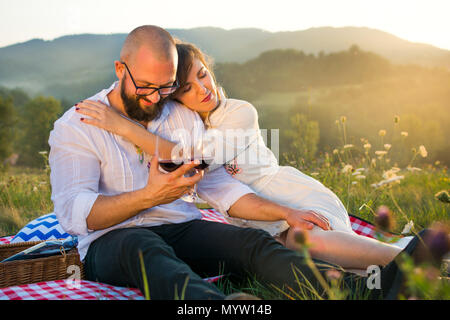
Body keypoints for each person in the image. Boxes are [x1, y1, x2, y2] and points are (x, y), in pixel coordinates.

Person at [50, 25, 422, 300]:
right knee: (147, 251)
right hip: (114, 241)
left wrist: (284, 212)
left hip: (180, 228)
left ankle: (361, 289)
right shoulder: (77, 125)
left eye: (165, 88)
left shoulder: (179, 115)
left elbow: (216, 185)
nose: (154, 98)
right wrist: (147, 197)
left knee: (251, 245)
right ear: (120, 69)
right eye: (146, 86)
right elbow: (75, 213)